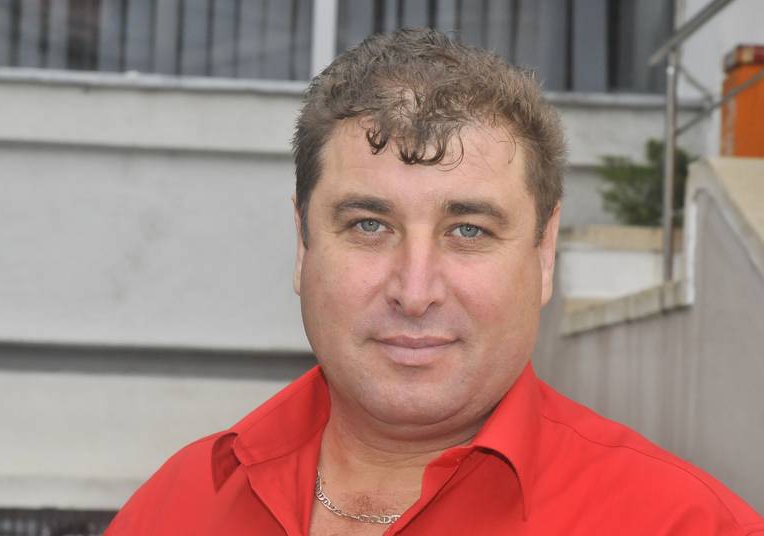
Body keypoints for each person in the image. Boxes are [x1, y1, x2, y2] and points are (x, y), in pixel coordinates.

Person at [105, 28, 763, 535]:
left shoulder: (682, 524)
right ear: (303, 246)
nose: (415, 291)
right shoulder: (177, 506)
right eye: (369, 225)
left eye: (468, 230)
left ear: (544, 254)